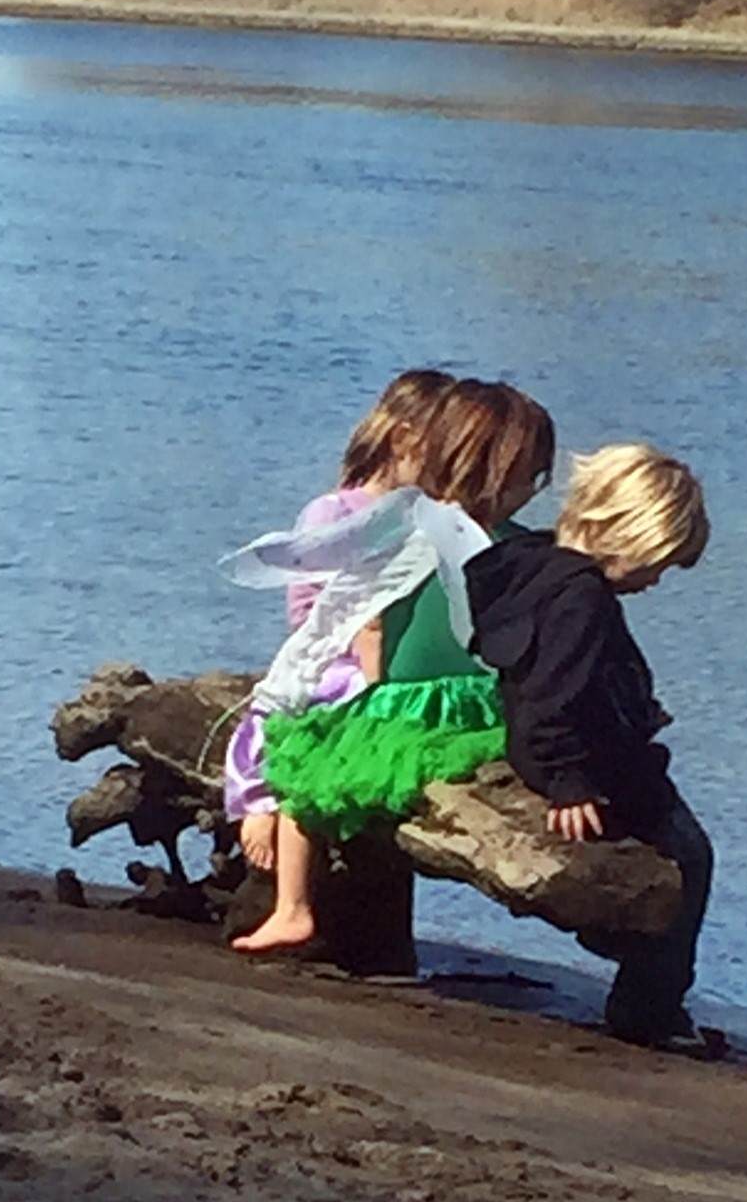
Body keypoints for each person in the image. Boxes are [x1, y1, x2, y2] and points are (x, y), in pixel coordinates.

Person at [232, 379, 556, 954]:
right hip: (476, 702)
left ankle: (292, 909)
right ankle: (292, 905)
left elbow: (363, 615)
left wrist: (367, 688)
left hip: (415, 702)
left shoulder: (415, 526)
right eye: (527, 477)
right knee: (311, 768)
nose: (530, 491)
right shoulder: (508, 544)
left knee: (309, 772)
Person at [462, 443, 712, 1047]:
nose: (656, 582)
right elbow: (555, 696)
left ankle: (628, 948)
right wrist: (570, 781)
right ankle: (651, 1004)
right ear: (631, 537)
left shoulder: (536, 564)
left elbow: (545, 676)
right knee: (691, 855)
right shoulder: (583, 599)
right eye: (657, 566)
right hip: (576, 762)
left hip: (539, 747)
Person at [226, 368, 455, 874]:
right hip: (338, 659)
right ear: (404, 440)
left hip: (395, 660)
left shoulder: (427, 516)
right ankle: (263, 803)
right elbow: (307, 611)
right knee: (308, 715)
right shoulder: (335, 513)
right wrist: (366, 654)